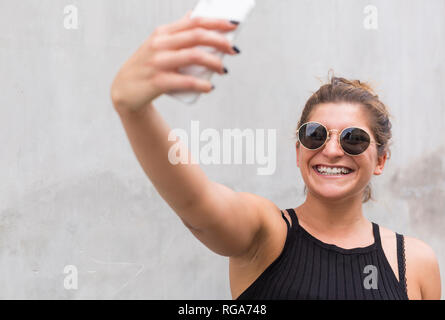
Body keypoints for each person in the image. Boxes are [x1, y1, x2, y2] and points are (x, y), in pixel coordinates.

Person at [110, 12, 441, 299]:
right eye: (315, 135)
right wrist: (134, 111)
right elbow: (197, 205)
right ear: (299, 152)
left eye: (354, 139)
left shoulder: (415, 263)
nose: (332, 150)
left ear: (380, 160)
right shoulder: (266, 233)